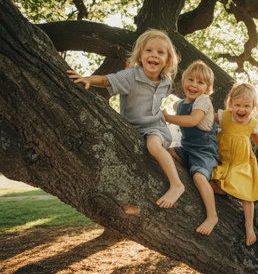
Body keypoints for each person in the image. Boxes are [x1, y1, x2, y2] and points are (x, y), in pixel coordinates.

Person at [67, 28, 185, 210]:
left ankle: (177, 184)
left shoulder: (166, 82)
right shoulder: (131, 76)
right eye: (149, 50)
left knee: (154, 146)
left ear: (168, 60)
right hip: (132, 129)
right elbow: (107, 80)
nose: (154, 55)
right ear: (140, 55)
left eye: (160, 52)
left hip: (155, 128)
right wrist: (87, 79)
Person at [162, 60, 219, 235]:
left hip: (204, 151)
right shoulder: (179, 105)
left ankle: (212, 216)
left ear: (207, 89)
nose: (194, 85)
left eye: (200, 82)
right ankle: (175, 184)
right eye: (191, 80)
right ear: (184, 81)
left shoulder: (203, 101)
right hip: (187, 149)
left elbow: (192, 120)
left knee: (199, 177)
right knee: (166, 152)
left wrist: (168, 118)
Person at [210, 82, 258, 246]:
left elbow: (255, 135)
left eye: (246, 106)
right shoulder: (224, 116)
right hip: (222, 160)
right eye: (237, 105)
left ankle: (249, 227)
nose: (241, 109)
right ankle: (223, 192)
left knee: (247, 196)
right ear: (231, 104)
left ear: (253, 106)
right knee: (208, 178)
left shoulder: (252, 123)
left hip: (241, 164)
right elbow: (205, 117)